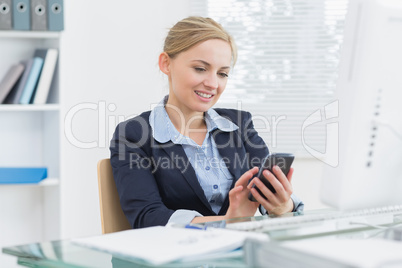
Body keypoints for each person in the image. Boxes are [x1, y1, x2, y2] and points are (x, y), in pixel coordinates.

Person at [110, 16, 304, 229]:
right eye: (200, 69)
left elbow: (266, 194)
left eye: (222, 73)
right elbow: (147, 217)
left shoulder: (240, 124)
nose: (213, 84)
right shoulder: (134, 135)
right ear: (166, 63)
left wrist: (282, 206)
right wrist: (228, 222)